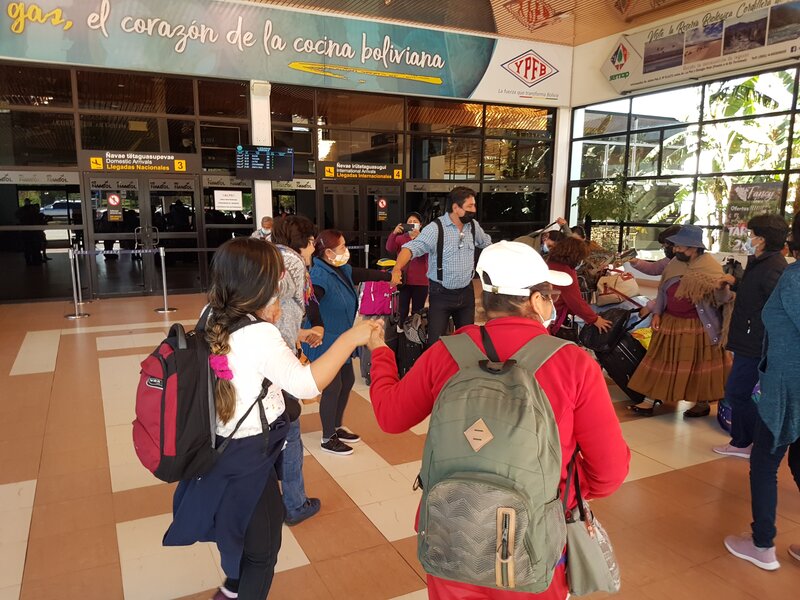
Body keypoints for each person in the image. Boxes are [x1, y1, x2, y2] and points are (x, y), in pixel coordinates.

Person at [366, 240, 630, 600]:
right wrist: (558, 487)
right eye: (549, 295)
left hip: (450, 532)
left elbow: (390, 416)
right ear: (536, 301)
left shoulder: (446, 351)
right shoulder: (573, 364)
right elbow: (610, 471)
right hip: (531, 540)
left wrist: (381, 354)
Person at [163, 237, 379, 600]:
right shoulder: (260, 332)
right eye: (274, 273)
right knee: (263, 552)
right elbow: (306, 384)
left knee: (236, 530)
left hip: (219, 448)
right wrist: (352, 338)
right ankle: (237, 590)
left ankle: (231, 586)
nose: (281, 279)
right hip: (248, 456)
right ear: (258, 281)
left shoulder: (212, 315)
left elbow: (243, 360)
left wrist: (296, 335)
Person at [724, 224, 800, 570]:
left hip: (787, 391)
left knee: (765, 463)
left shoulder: (794, 276)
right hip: (786, 385)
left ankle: (762, 545)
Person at [627, 224, 734, 417]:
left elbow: (722, 300)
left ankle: (701, 404)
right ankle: (648, 401)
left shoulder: (710, 267)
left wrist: (722, 286)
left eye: (680, 247)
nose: (675, 250)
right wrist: (657, 313)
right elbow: (662, 290)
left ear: (694, 248)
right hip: (670, 322)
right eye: (675, 246)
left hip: (698, 326)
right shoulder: (674, 263)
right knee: (660, 362)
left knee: (700, 366)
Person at [305, 230, 392, 455]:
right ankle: (327, 438)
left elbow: (362, 273)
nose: (346, 250)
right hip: (323, 338)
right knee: (333, 386)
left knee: (348, 379)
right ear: (328, 252)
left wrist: (388, 276)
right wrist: (317, 326)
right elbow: (312, 302)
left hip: (340, 337)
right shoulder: (319, 276)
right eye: (342, 247)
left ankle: (336, 426)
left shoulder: (340, 269)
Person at [713, 215, 788, 459]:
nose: (749, 238)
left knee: (737, 392)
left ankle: (747, 442)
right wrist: (734, 283)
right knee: (739, 392)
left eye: (752, 234)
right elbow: (753, 292)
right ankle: (750, 442)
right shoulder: (761, 263)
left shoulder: (773, 268)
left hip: (756, 343)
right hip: (750, 338)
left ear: (762, 239)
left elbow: (775, 308)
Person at [271, 215, 325, 526]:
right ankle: (294, 504)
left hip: (268, 350)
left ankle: (272, 501)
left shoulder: (268, 254)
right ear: (304, 242)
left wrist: (299, 334)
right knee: (290, 433)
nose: (312, 251)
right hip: (278, 359)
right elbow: (276, 305)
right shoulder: (291, 262)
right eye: (311, 244)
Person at [390, 186, 492, 347]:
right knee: (435, 344)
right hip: (441, 295)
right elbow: (410, 248)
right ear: (456, 208)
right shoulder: (435, 229)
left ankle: (462, 371)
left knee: (467, 342)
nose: (474, 210)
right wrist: (397, 268)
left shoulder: (473, 226)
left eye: (474, 205)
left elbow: (487, 244)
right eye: (470, 206)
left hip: (466, 293)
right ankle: (436, 371)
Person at [546, 237, 612, 335]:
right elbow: (576, 302)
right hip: (550, 315)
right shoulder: (566, 272)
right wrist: (594, 319)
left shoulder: (547, 263)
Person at [386, 211, 429, 324]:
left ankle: (414, 335)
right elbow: (390, 248)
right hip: (403, 280)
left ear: (420, 225)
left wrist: (420, 238)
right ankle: (401, 332)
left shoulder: (426, 238)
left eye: (415, 222)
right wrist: (394, 233)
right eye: (409, 222)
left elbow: (430, 254)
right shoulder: (401, 238)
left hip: (421, 281)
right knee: (402, 310)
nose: (412, 223)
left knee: (417, 311)